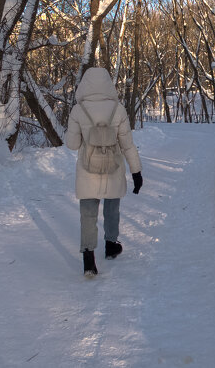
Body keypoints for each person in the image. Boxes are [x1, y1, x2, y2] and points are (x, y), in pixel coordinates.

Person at [65, 67, 143, 277]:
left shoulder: (78, 110)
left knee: (88, 214)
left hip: (87, 169)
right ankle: (111, 245)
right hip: (112, 167)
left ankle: (88, 258)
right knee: (112, 208)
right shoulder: (118, 109)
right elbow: (127, 145)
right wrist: (136, 172)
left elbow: (72, 144)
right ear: (108, 84)